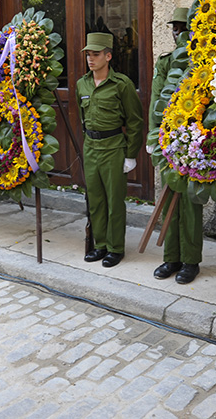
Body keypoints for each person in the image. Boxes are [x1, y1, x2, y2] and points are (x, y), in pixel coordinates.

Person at [77, 32, 143, 268]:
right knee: (95, 200)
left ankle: (116, 248)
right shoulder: (81, 84)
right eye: (88, 55)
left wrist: (131, 155)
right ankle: (101, 245)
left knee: (115, 201)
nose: (90, 59)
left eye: (96, 55)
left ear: (108, 56)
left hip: (114, 147)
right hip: (91, 147)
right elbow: (82, 117)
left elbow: (135, 121)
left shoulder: (122, 84)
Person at [148, 7, 204, 284]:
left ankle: (191, 260)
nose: (177, 32)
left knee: (191, 202)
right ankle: (171, 257)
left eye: (182, 27)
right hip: (167, 139)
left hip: (193, 139)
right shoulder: (166, 61)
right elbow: (155, 99)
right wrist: (152, 136)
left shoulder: (200, 60)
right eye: (174, 27)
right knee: (168, 196)